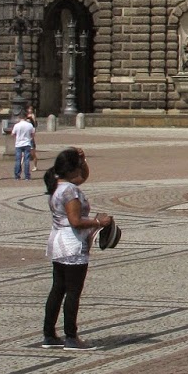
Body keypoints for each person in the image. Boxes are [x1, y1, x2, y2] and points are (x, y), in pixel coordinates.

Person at [42, 147, 114, 351]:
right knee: (73, 291)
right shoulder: (71, 191)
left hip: (57, 242)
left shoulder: (57, 185)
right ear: (72, 168)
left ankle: (49, 334)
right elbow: (75, 221)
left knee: (58, 289)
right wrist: (98, 222)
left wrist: (82, 160)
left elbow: (82, 176)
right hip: (72, 245)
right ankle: (71, 337)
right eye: (79, 165)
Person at [11, 109, 37, 181]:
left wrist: (17, 137)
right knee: (26, 160)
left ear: (20, 118)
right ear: (26, 117)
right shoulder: (30, 125)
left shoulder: (16, 125)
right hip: (27, 143)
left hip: (18, 144)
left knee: (18, 160)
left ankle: (17, 175)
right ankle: (27, 176)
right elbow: (33, 134)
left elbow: (12, 134)